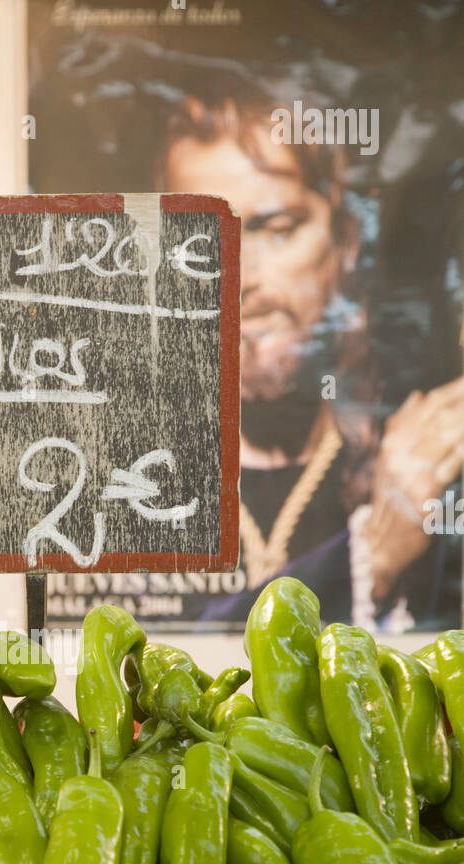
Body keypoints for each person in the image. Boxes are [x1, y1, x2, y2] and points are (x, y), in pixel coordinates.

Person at [156, 92, 464, 629]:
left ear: (344, 241)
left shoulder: (423, 459)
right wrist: (370, 559)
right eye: (201, 242)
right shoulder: (126, 476)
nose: (242, 275)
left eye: (277, 230)